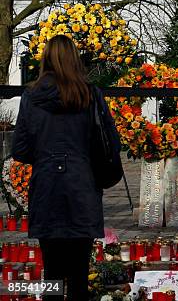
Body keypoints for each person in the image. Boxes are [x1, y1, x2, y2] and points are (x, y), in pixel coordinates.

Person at [12, 35, 121, 301]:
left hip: (47, 186)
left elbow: (20, 150)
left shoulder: (31, 97)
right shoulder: (89, 94)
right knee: (79, 274)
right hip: (81, 186)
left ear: (45, 58)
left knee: (51, 270)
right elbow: (108, 143)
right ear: (74, 58)